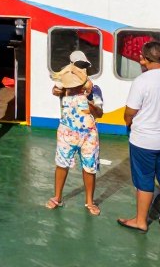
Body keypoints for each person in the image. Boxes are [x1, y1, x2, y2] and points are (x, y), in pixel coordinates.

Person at [117, 40, 160, 234]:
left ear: (145, 59)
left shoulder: (142, 81)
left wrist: (128, 123)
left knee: (144, 180)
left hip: (144, 141)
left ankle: (141, 221)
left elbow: (130, 111)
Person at [46, 63, 103, 215]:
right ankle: (57, 197)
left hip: (88, 136)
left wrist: (90, 105)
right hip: (66, 134)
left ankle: (89, 201)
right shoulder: (64, 89)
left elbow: (100, 113)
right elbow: (55, 90)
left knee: (89, 167)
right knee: (61, 164)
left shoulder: (95, 90)